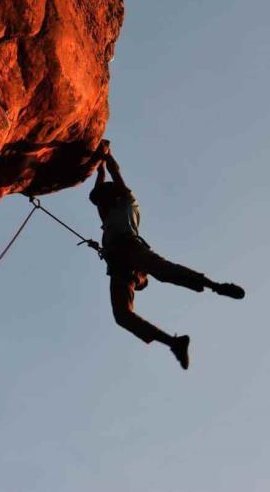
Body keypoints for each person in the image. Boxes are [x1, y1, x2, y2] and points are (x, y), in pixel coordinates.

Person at [87, 140, 244, 369]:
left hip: (132, 250)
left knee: (165, 271)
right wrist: (99, 166)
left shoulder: (127, 202)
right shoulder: (109, 214)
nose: (100, 206)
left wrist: (107, 156)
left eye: (102, 200)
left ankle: (215, 285)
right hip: (120, 264)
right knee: (122, 315)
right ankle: (173, 342)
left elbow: (115, 175)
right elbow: (101, 185)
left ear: (110, 197)